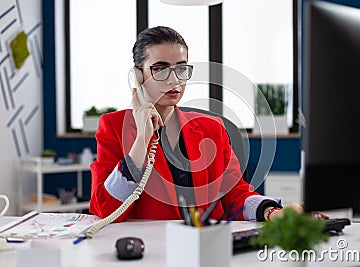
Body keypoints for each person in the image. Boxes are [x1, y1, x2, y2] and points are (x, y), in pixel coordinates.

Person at [89, 26, 308, 223]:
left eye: (181, 69)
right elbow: (104, 209)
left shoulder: (211, 127)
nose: (174, 80)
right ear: (137, 76)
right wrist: (141, 140)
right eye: (160, 68)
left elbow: (235, 194)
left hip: (206, 245)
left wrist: (271, 211)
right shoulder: (113, 126)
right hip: (150, 251)